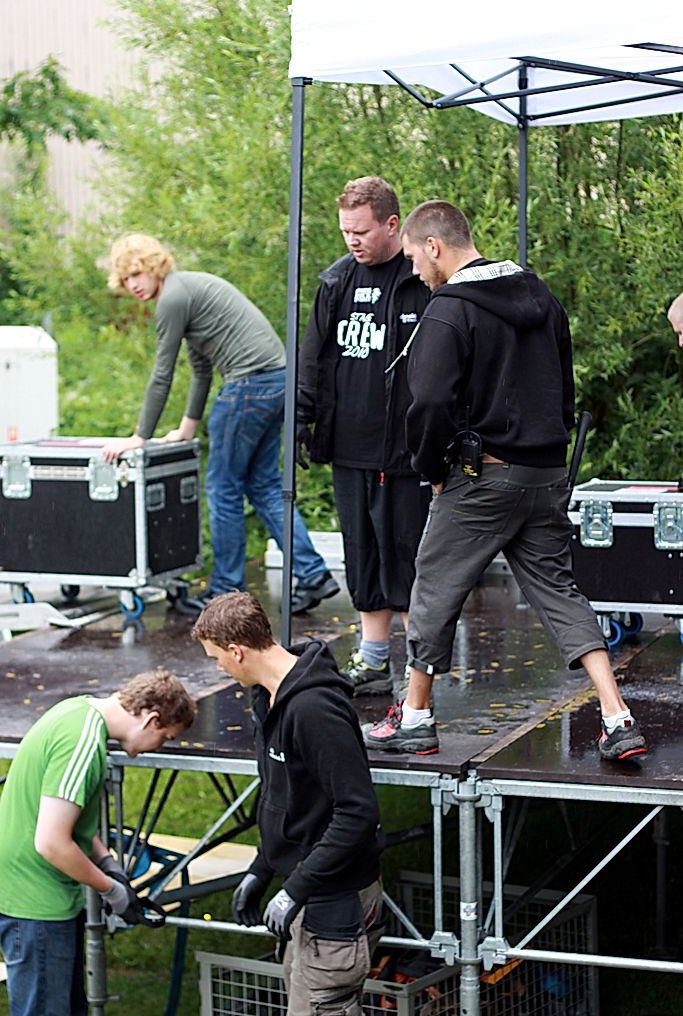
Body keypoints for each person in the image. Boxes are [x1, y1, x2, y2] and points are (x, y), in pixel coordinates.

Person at [362, 199, 647, 763]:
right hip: (545, 476)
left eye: (417, 257)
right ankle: (618, 717)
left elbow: (430, 401)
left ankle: (415, 717)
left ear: (436, 246)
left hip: (481, 478)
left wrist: (431, 470)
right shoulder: (543, 299)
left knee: (434, 586)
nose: (415, 271)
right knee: (561, 595)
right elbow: (564, 387)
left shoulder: (448, 309)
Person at [104, 234, 339, 614]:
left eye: (137, 273)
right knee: (263, 486)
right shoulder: (188, 290)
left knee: (223, 488)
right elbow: (200, 369)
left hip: (249, 386)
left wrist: (139, 437)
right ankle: (313, 574)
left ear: (153, 266)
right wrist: (187, 427)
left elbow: (162, 374)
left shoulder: (173, 298)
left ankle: (225, 590)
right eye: (125, 279)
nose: (133, 285)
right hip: (277, 381)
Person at [192, 591, 385, 1016]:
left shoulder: (314, 708)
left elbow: (357, 812)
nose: (217, 668)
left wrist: (294, 889)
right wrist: (263, 869)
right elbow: (288, 801)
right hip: (307, 894)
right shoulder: (268, 696)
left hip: (335, 900)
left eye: (215, 658)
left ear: (236, 651)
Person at [297, 177, 431, 693]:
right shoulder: (336, 282)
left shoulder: (421, 278)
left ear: (392, 224)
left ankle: (418, 677)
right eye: (345, 230)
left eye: (362, 230)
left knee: (407, 560)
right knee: (363, 556)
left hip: (404, 451)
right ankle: (373, 661)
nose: (352, 240)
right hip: (350, 447)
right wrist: (304, 424)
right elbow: (312, 359)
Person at [0, 670, 196, 1016]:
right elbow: (51, 842)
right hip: (35, 903)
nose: (158, 748)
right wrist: (111, 890)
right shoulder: (83, 744)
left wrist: (108, 862)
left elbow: (64, 819)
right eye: (164, 737)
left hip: (35, 895)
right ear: (151, 719)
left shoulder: (77, 712)